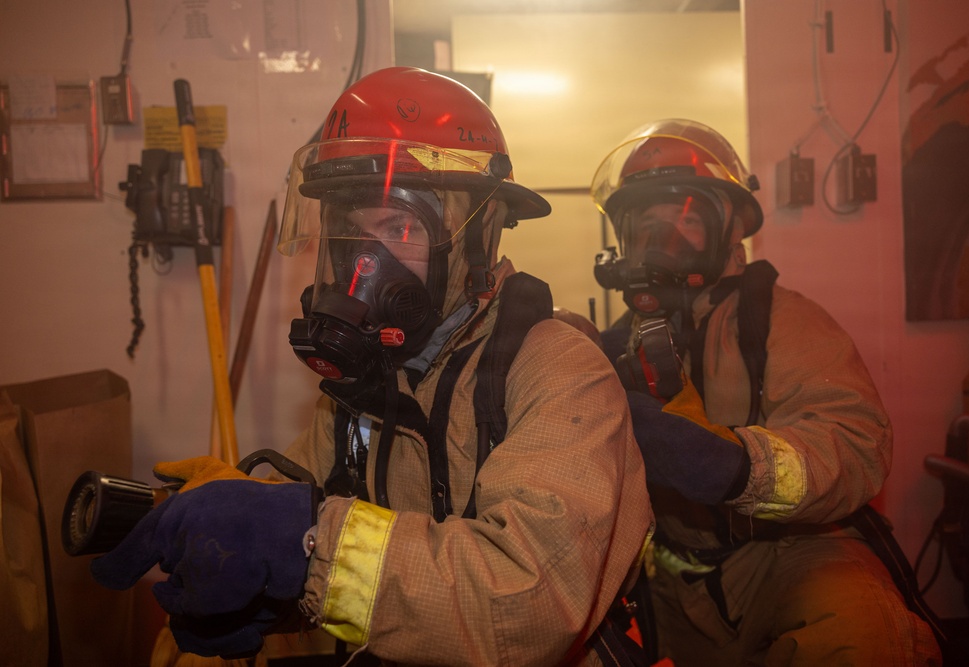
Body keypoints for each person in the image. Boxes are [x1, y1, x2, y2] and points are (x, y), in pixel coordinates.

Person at [89, 67, 654, 666]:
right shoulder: (364, 379)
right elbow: (306, 504)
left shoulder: (560, 372)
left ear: (478, 238)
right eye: (348, 232)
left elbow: (526, 605)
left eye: (399, 226)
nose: (364, 262)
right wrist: (244, 555)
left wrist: (305, 546)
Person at [590, 118, 942, 666]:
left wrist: (735, 465)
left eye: (685, 221)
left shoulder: (781, 321)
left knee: (866, 640)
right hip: (670, 570)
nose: (663, 244)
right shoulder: (615, 346)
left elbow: (855, 444)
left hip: (787, 552)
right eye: (645, 225)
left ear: (730, 228)